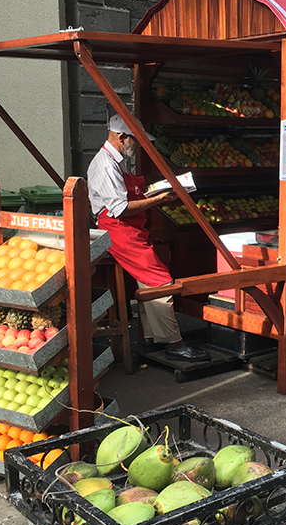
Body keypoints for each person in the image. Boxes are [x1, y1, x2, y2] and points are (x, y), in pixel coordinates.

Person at [88, 114, 210, 362]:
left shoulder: (117, 161)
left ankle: (152, 338)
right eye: (137, 140)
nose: (140, 145)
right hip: (118, 230)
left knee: (147, 282)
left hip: (129, 229)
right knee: (159, 281)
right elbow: (120, 209)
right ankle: (174, 344)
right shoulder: (106, 165)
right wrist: (158, 199)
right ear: (122, 137)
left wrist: (153, 195)